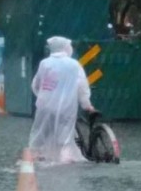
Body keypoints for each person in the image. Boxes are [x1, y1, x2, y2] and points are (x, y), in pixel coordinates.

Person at [28, 36, 96, 164]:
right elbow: (82, 86)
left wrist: (43, 97)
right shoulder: (74, 65)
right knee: (65, 136)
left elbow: (36, 85)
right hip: (67, 106)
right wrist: (87, 105)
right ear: (65, 48)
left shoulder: (45, 64)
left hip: (45, 107)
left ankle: (36, 157)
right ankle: (65, 161)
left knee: (41, 133)